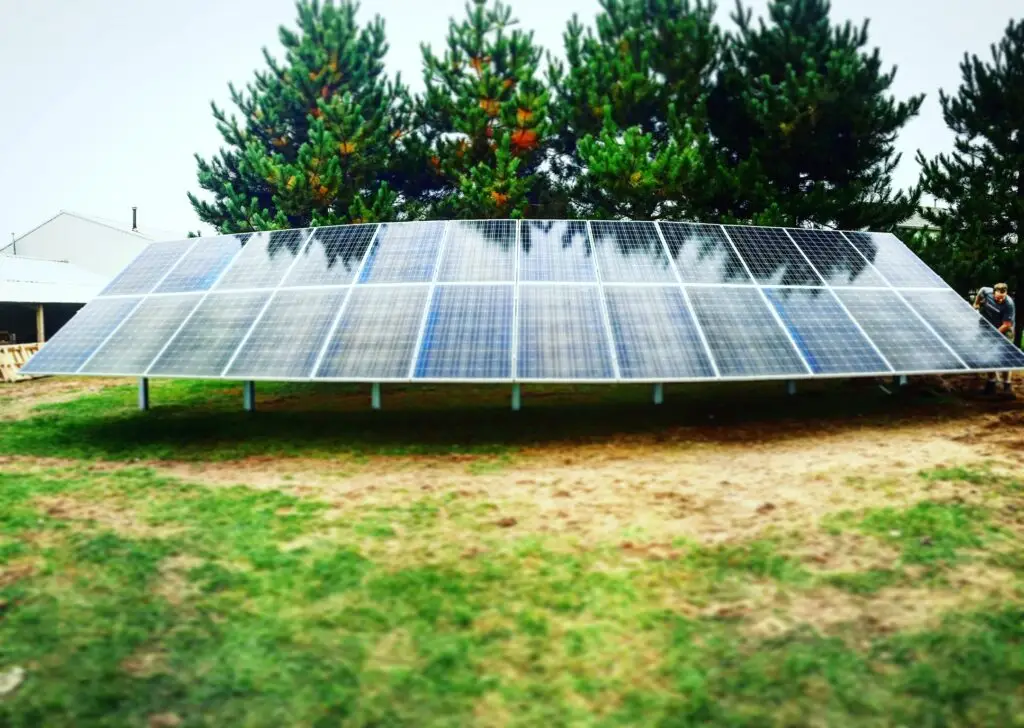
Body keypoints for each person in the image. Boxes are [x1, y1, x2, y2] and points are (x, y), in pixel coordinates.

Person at [974, 282, 1016, 393]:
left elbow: (1007, 324)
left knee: (1005, 357)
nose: (1000, 299)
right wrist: (976, 303)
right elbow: (981, 289)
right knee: (987, 355)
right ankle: (991, 382)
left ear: (1006, 294)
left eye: (1003, 297)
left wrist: (994, 334)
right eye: (998, 298)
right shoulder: (987, 292)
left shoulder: (1009, 304)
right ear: (993, 293)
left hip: (1004, 330)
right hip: (987, 326)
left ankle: (1007, 384)